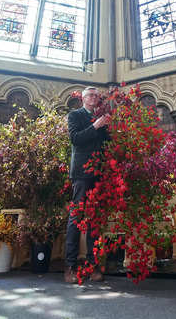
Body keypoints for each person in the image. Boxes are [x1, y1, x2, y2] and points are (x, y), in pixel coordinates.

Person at [64, 86, 111, 283]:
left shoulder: (101, 117)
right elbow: (75, 139)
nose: (94, 97)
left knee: (94, 220)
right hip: (82, 174)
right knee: (76, 219)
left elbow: (106, 144)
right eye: (91, 95)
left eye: (96, 95)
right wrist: (96, 126)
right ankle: (70, 267)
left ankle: (93, 267)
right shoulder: (75, 115)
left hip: (98, 174)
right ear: (83, 99)